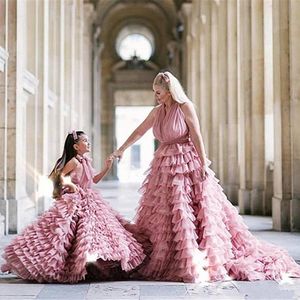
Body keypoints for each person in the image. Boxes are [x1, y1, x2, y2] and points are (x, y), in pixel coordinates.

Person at [112, 71, 300, 283]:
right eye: (155, 92)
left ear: (169, 91)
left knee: (188, 208)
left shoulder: (185, 107)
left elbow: (196, 135)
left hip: (186, 162)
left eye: (159, 92)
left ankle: (193, 255)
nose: (156, 96)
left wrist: (203, 163)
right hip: (163, 165)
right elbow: (139, 131)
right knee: (166, 211)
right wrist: (121, 149)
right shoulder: (157, 112)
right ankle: (170, 253)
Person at [1, 130, 145, 283]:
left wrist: (106, 167)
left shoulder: (86, 161)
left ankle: (93, 263)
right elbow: (60, 176)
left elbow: (94, 180)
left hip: (90, 198)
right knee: (67, 232)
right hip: (75, 200)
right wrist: (71, 185)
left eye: (88, 141)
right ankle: (66, 262)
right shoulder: (74, 162)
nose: (88, 143)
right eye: (85, 141)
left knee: (98, 231)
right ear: (76, 146)